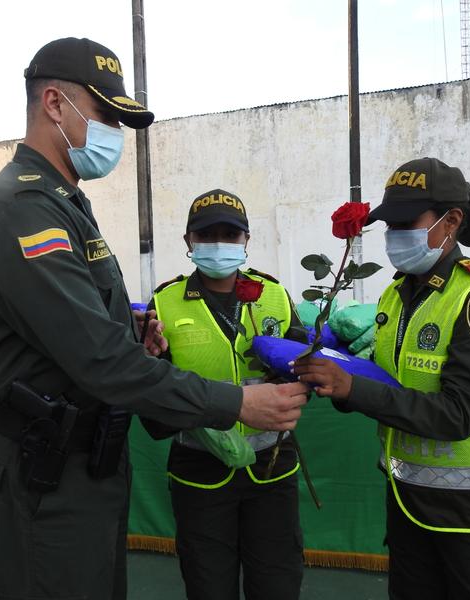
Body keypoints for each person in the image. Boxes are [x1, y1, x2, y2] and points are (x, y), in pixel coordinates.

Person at [0, 37, 308, 600]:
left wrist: (132, 337)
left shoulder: (64, 202)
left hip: (81, 462)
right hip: (41, 469)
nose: (113, 135)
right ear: (54, 104)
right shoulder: (22, 210)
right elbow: (97, 360)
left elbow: (84, 336)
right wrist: (238, 403)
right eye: (105, 115)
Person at [293, 157, 470, 599]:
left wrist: (354, 387)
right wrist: (336, 382)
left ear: (452, 222)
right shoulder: (396, 293)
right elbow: (390, 384)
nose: (394, 235)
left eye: (408, 222)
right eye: (389, 224)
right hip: (407, 507)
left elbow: (458, 416)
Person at [144, 189, 307, 600]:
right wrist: (150, 361)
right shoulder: (163, 304)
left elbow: (306, 371)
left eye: (230, 235)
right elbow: (152, 406)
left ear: (247, 241)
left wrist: (296, 384)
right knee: (207, 586)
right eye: (207, 234)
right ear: (188, 242)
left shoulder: (275, 296)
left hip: (272, 470)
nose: (219, 243)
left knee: (277, 584)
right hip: (199, 472)